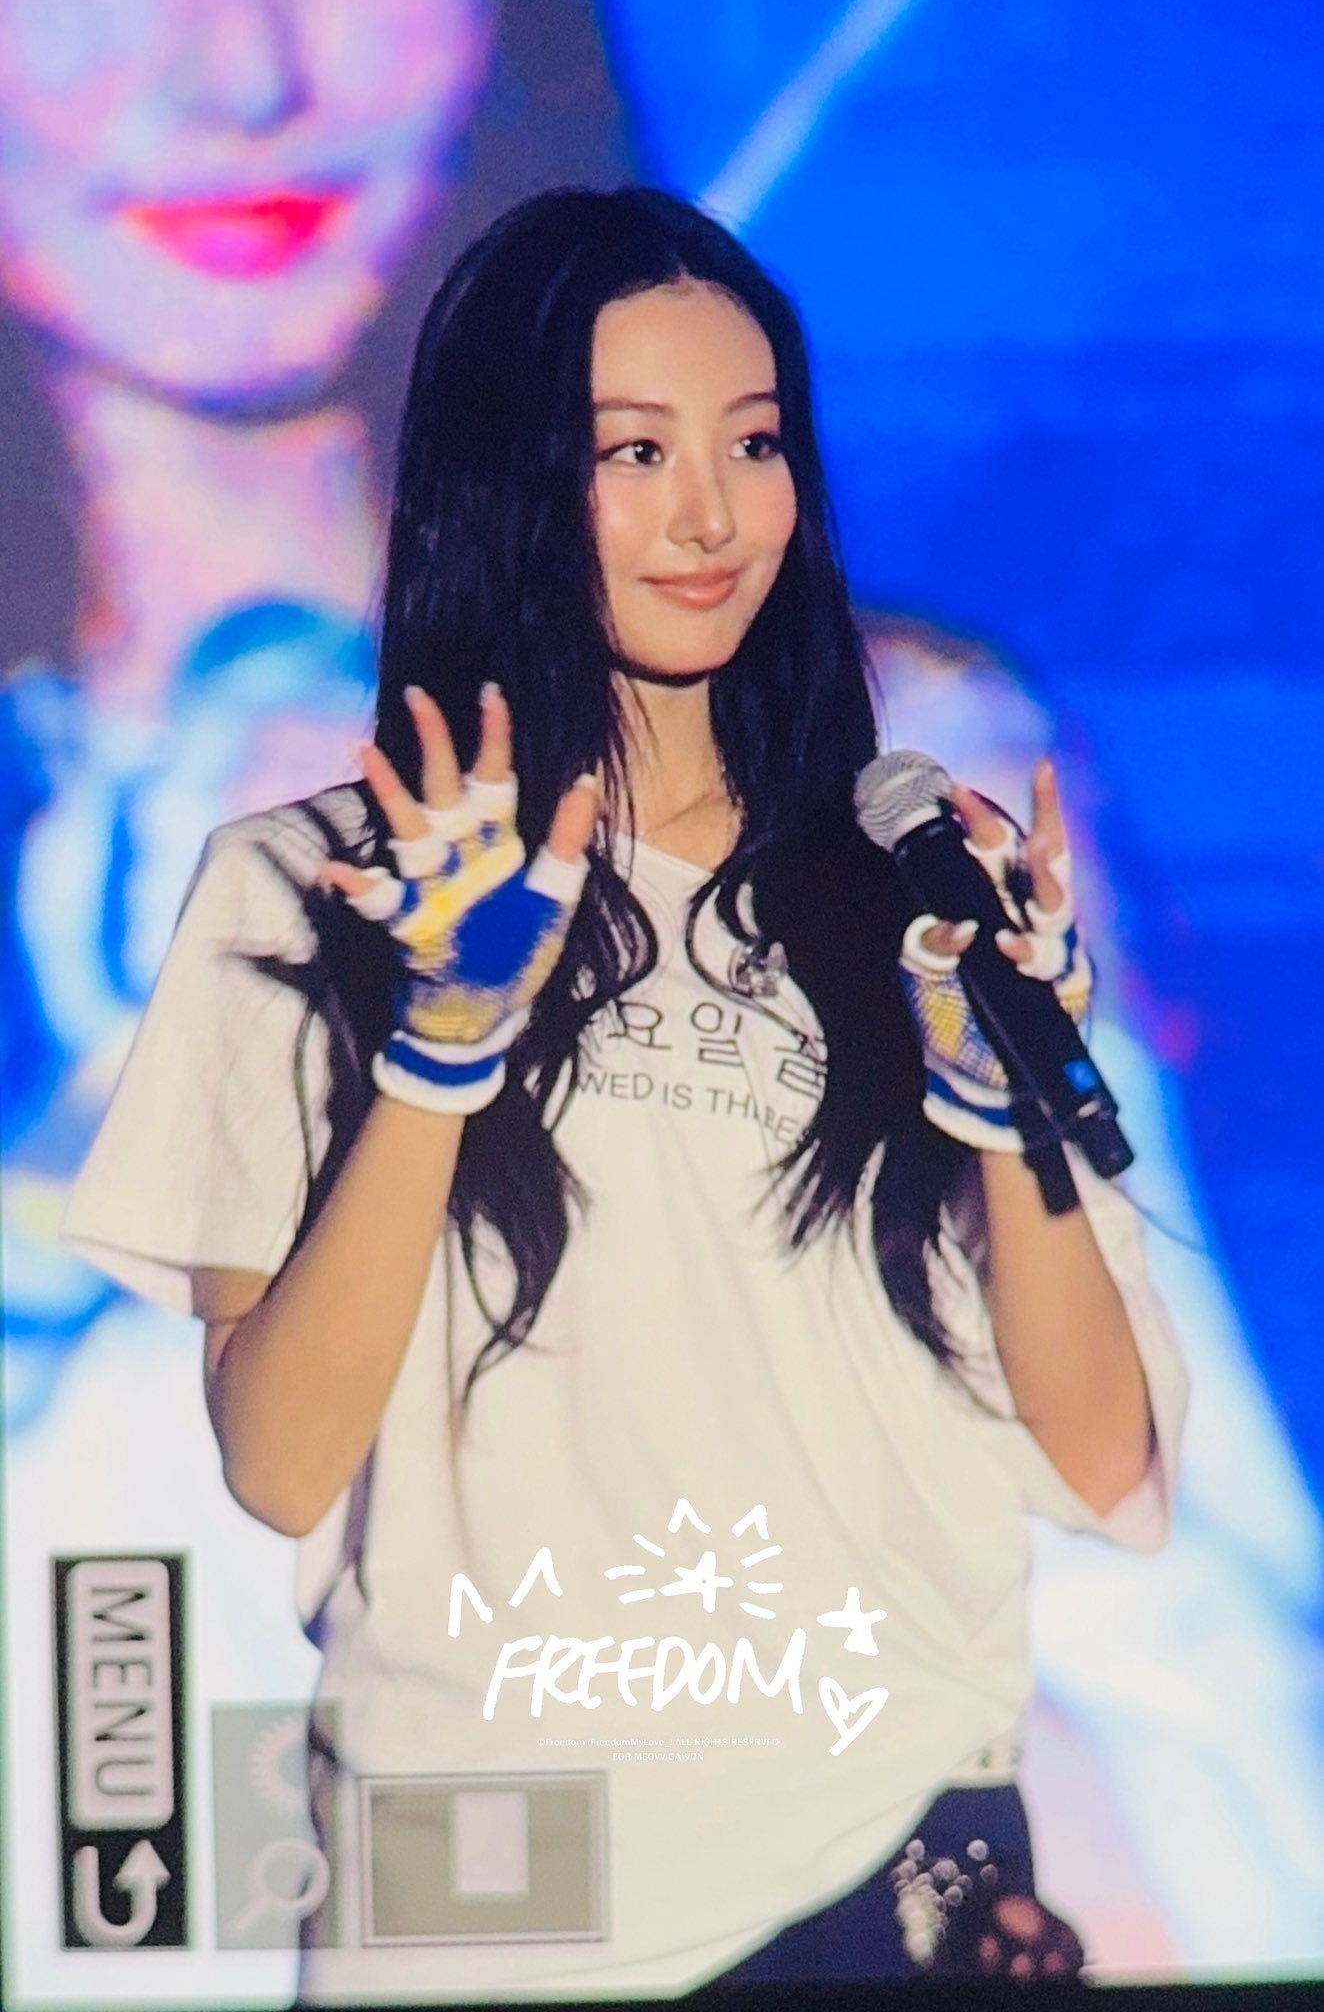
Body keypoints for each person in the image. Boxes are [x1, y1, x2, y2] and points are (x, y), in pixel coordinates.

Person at [65, 187, 1185, 1999]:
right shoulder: (307, 891)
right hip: (492, 1885)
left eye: (756, 443)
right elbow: (277, 1461)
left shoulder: (905, 892)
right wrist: (441, 1048)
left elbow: (1103, 1453)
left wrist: (999, 1113)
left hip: (895, 1856)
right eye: (636, 451)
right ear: (510, 479)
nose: (712, 513)